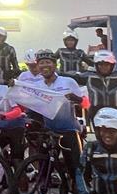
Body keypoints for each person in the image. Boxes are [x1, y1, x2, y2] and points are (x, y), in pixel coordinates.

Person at [31, 50, 85, 182]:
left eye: (48, 62)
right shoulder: (36, 86)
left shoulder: (68, 82)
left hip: (69, 131)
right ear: (38, 67)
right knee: (44, 172)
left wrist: (77, 99)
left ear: (54, 65)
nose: (44, 66)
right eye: (41, 63)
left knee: (76, 169)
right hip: (49, 132)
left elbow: (86, 103)